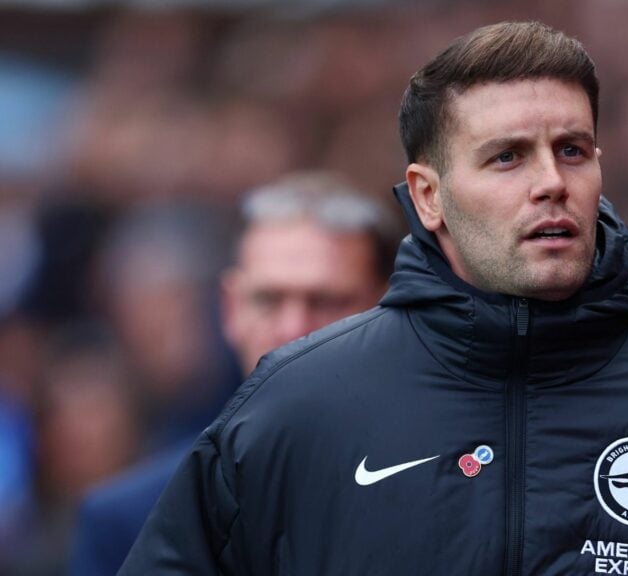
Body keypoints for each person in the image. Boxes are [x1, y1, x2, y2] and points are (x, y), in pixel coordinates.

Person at [120, 22, 628, 575]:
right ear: (429, 197)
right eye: (508, 157)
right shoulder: (295, 408)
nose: (552, 181)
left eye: (572, 150)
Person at [67, 172, 398, 576]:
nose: (293, 329)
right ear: (230, 308)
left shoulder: (456, 489)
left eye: (326, 300)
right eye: (269, 300)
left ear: (388, 308)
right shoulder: (128, 520)